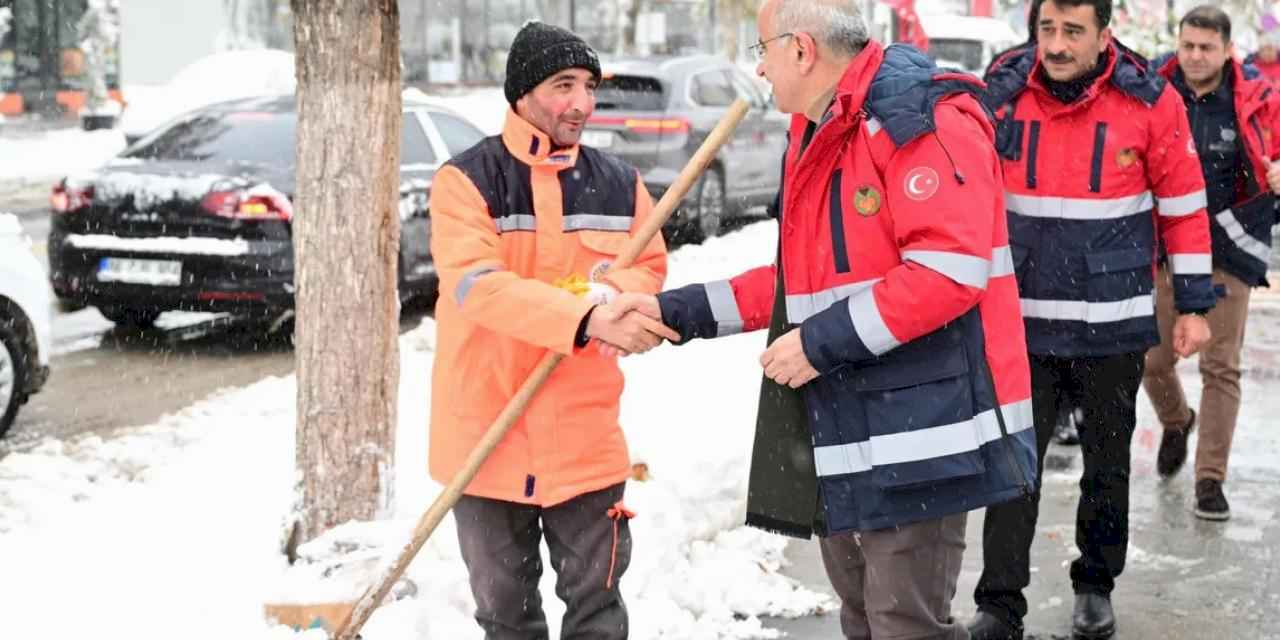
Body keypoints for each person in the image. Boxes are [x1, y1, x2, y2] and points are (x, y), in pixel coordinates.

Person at [617, 0, 1038, 637]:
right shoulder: (820, 130)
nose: (757, 71)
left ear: (801, 50)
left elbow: (948, 273)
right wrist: (676, 312)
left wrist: (817, 344)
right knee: (864, 619)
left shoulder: (918, 118)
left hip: (921, 432)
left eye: (761, 51)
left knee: (903, 624)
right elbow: (800, 284)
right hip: (850, 424)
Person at [427, 21, 677, 639]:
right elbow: (478, 288)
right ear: (521, 92)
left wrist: (616, 297)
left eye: (589, 85)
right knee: (506, 619)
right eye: (564, 84)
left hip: (584, 440)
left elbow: (649, 267)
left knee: (598, 616)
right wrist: (585, 316)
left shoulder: (619, 184)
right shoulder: (466, 182)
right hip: (488, 438)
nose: (582, 103)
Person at [975, 1, 1216, 638]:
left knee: (1106, 468)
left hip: (1111, 326)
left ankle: (1095, 587)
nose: (1055, 46)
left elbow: (1185, 206)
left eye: (1072, 32)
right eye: (1046, 29)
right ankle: (999, 604)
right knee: (1011, 470)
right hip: (1021, 326)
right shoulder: (1000, 91)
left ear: (1104, 34)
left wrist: (1192, 304)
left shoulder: (1149, 101)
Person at [1146, 5, 1280, 521]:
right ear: (1177, 45)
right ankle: (1177, 421)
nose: (1196, 56)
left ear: (1227, 49)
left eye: (1206, 47)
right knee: (1151, 359)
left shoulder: (1257, 99)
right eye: (1188, 46)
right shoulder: (1154, 89)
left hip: (1230, 245)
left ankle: (1209, 480)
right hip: (1163, 245)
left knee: (1220, 366)